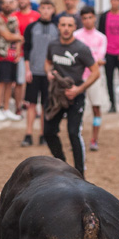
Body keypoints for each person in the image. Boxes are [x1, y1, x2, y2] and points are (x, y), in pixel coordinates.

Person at [44, 15, 99, 177]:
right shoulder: (53, 45)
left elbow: (95, 72)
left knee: (73, 133)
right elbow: (48, 62)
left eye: (69, 25)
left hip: (75, 96)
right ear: (58, 27)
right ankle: (62, 165)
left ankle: (80, 174)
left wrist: (79, 89)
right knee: (48, 131)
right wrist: (48, 72)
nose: (66, 28)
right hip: (57, 96)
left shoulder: (81, 48)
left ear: (75, 27)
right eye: (63, 25)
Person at [21, 0, 58, 147]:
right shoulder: (32, 27)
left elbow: (57, 51)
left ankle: (43, 134)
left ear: (53, 10)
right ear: (39, 9)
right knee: (31, 104)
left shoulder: (56, 28)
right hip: (34, 71)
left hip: (48, 73)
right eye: (43, 7)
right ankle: (28, 134)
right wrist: (27, 69)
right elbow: (26, 49)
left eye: (49, 8)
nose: (46, 11)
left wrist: (54, 71)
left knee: (45, 105)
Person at [74, 6, 107, 151]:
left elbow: (99, 58)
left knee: (96, 108)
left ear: (94, 18)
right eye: (85, 18)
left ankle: (94, 139)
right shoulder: (76, 35)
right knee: (76, 110)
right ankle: (76, 138)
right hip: (78, 77)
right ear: (81, 20)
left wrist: (87, 59)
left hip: (94, 78)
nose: (88, 20)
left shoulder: (101, 37)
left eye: (90, 17)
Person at [0, 0, 24, 121]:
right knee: (1, 82)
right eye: (4, 2)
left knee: (10, 83)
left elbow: (17, 35)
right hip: (2, 55)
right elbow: (7, 36)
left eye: (10, 2)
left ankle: (6, 109)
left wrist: (18, 51)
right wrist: (19, 38)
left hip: (12, 55)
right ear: (1, 5)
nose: (7, 5)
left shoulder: (13, 19)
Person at [12, 0, 40, 114]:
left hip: (35, 54)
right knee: (20, 81)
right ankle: (18, 107)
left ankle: (34, 107)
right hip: (20, 53)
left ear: (29, 0)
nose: (22, 0)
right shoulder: (14, 16)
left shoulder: (36, 16)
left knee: (35, 81)